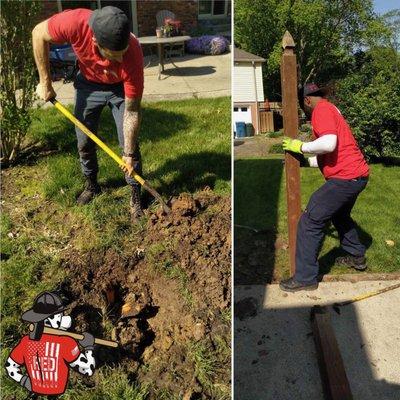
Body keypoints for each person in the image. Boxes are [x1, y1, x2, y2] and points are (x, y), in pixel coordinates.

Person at [32, 6, 144, 222]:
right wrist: (45, 81)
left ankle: (134, 194)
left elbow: (132, 110)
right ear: (95, 43)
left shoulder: (133, 52)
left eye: (122, 54)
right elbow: (38, 32)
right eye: (114, 56)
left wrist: (128, 154)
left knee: (129, 144)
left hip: (119, 89)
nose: (120, 61)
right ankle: (92, 185)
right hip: (88, 85)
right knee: (83, 140)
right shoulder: (74, 23)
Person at [279, 83, 369, 292]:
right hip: (357, 176)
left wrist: (299, 146)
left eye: (303, 105)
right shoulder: (331, 109)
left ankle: (305, 278)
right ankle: (357, 256)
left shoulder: (321, 110)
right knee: (339, 216)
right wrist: (305, 161)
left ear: (307, 100)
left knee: (310, 220)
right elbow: (331, 155)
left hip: (345, 178)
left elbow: (329, 144)